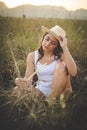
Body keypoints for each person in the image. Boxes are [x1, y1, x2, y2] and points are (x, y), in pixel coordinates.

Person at [14, 25, 77, 100]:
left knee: (61, 66)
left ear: (57, 46)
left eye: (53, 43)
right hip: (42, 90)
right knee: (16, 90)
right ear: (43, 37)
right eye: (47, 39)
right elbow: (28, 80)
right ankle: (46, 103)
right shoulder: (32, 56)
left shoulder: (61, 56)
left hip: (61, 91)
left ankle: (51, 103)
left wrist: (64, 48)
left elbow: (73, 72)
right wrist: (20, 81)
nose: (47, 44)